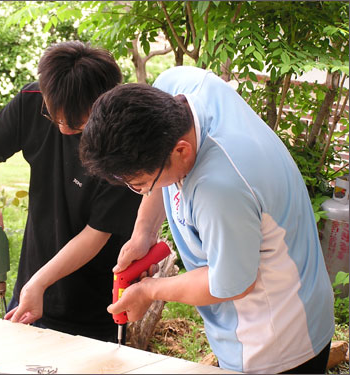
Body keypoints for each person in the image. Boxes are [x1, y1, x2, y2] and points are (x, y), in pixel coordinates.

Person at [79, 65, 335, 373]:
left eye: (140, 184)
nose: (141, 192)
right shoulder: (175, 87)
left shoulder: (221, 187)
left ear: (182, 151)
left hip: (276, 343)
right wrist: (143, 233)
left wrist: (149, 290)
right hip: (253, 322)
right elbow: (159, 172)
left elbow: (230, 283)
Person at [0, 41, 142, 343]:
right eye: (53, 117)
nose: (61, 129)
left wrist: (38, 284)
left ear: (103, 103)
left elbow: (96, 234)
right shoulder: (34, 99)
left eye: (75, 122)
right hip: (31, 291)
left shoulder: (125, 142)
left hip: (94, 307)